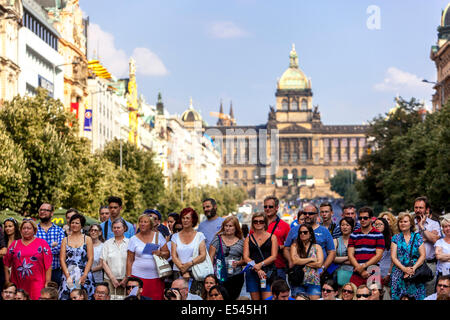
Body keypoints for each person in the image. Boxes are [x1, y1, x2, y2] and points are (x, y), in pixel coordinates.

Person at [284, 203, 335, 282]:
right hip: (297, 274)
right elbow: (286, 248)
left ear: (317, 215)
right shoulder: (294, 230)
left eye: (310, 213)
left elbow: (331, 252)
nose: (307, 215)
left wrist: (323, 268)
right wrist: (290, 261)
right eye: (305, 213)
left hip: (316, 273)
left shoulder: (324, 231)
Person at [3, 219, 52, 300]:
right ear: (21, 230)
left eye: (29, 228)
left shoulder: (42, 243)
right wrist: (7, 281)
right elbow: (6, 263)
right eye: (24, 228)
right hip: (18, 283)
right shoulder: (15, 244)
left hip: (37, 283)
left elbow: (48, 265)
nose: (26, 230)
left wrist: (47, 282)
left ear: (34, 230)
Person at [126, 214, 170, 300]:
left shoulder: (158, 236)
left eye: (145, 222)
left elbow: (167, 254)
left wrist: (160, 253)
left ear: (150, 224)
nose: (142, 224)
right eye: (141, 222)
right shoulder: (133, 239)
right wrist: (129, 278)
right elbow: (129, 260)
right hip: (137, 277)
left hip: (156, 277)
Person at [171, 207, 208, 296]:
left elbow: (203, 255)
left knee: (195, 298)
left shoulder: (200, 235)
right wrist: (182, 270)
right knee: (177, 297)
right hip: (178, 272)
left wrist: (188, 264)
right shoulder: (175, 236)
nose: (185, 220)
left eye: (188, 218)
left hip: (195, 273)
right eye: (183, 218)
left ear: (193, 220)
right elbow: (174, 256)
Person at [390, 211, 426, 300]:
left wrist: (413, 268)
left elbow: (423, 255)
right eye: (401, 221)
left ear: (411, 223)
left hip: (415, 273)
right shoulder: (395, 238)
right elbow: (393, 257)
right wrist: (404, 269)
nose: (402, 223)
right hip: (399, 274)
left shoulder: (417, 237)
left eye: (405, 221)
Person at [59, 213, 95, 300]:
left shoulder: (87, 239)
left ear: (82, 225)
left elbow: (90, 258)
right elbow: (62, 259)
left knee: (85, 296)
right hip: (69, 273)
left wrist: (85, 275)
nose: (74, 225)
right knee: (66, 296)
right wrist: (67, 276)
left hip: (84, 273)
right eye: (72, 222)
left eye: (77, 223)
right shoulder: (65, 239)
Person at [243, 212, 278, 300]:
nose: (258, 223)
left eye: (261, 221)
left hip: (267, 272)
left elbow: (274, 256)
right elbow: (246, 257)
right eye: (255, 221)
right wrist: (257, 268)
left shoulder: (272, 237)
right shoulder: (248, 238)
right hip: (252, 272)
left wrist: (260, 264)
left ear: (265, 223)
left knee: (268, 299)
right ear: (252, 223)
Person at [209, 216, 245, 300]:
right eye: (226, 226)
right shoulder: (217, 239)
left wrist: (238, 263)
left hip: (236, 277)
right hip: (219, 276)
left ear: (236, 228)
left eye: (230, 226)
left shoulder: (241, 242)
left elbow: (246, 260)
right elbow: (210, 258)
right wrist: (211, 275)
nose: (228, 228)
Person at [347, 206, 385, 287]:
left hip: (373, 271)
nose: (362, 220)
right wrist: (360, 270)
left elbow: (378, 256)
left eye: (365, 218)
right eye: (360, 218)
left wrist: (363, 266)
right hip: (357, 272)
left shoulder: (378, 235)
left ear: (371, 219)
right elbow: (350, 255)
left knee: (374, 296)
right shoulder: (354, 235)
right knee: (354, 296)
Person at [414, 196, 441, 296]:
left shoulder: (434, 224)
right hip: (413, 264)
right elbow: (408, 242)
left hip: (430, 264)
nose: (418, 210)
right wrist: (427, 237)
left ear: (427, 209)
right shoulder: (409, 223)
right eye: (416, 207)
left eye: (421, 208)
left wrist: (422, 227)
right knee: (414, 294)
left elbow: (435, 240)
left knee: (429, 294)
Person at [290, 224, 323, 299]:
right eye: (300, 232)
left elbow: (319, 264)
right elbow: (295, 261)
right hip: (298, 281)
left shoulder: (317, 247)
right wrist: (311, 259)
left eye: (305, 232)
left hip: (314, 281)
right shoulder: (294, 246)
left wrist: (301, 261)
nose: (302, 234)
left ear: (310, 234)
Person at [36, 203, 65, 287]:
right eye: (41, 210)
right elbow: (33, 250)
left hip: (55, 271)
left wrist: (42, 250)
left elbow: (61, 248)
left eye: (46, 210)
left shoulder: (59, 230)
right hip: (37, 271)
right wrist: (52, 247)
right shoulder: (33, 230)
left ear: (52, 213)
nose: (42, 212)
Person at [262, 196, 290, 281]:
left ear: (277, 208)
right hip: (261, 266)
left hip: (278, 266)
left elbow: (291, 246)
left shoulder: (285, 226)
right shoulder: (257, 224)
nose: (267, 209)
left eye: (270, 207)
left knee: (279, 293)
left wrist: (279, 247)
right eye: (265, 206)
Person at [101, 218, 129, 299]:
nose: (116, 230)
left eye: (118, 227)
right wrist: (113, 278)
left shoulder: (130, 242)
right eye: (114, 227)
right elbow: (103, 262)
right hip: (109, 279)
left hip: (126, 280)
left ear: (124, 228)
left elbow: (132, 261)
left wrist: (126, 278)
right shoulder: (107, 243)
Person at [374, 217, 393, 299]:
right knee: (374, 295)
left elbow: (394, 259)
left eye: (380, 224)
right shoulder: (371, 239)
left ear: (385, 226)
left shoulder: (391, 240)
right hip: (374, 271)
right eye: (376, 224)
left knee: (386, 296)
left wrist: (389, 274)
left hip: (387, 272)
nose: (377, 226)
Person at [333, 217, 355, 288]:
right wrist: (349, 257)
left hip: (354, 273)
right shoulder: (336, 241)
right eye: (342, 225)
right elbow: (333, 258)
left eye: (347, 225)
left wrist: (340, 260)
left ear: (352, 227)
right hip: (339, 274)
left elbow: (358, 259)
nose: (344, 227)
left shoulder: (356, 240)